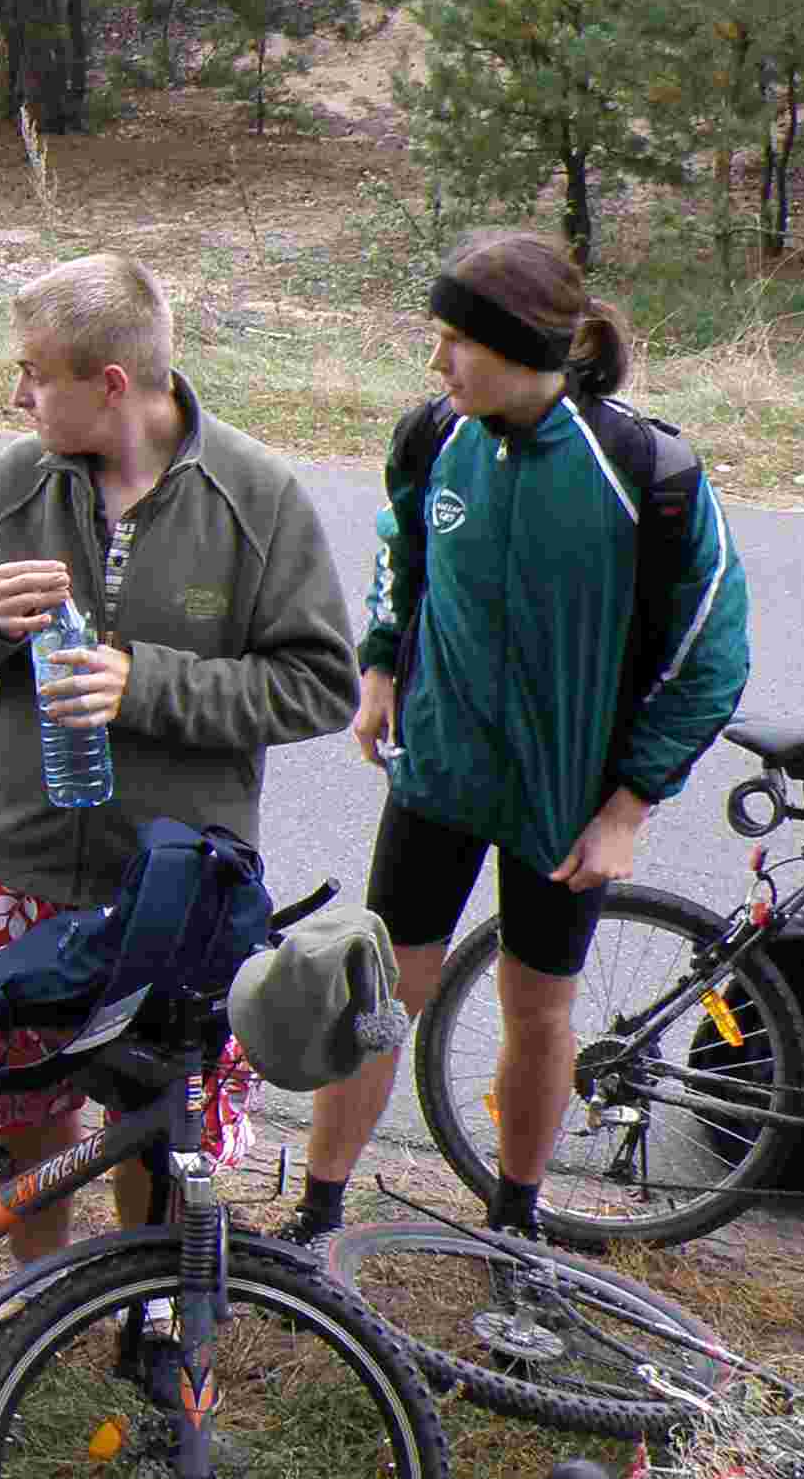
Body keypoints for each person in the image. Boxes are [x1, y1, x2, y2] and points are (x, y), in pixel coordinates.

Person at [291, 228, 751, 1244]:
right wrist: (381, 665)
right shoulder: (433, 437)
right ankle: (317, 1216)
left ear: (524, 349)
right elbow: (401, 547)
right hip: (440, 772)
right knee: (383, 994)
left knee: (536, 1009)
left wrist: (630, 803)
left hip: (565, 795)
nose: (436, 362)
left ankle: (515, 1223)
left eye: (456, 341)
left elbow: (713, 652)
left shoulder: (646, 469)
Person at [0, 252, 357, 1265]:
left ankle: (144, 1308)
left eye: (35, 374)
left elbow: (319, 685)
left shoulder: (257, 498)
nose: (16, 395)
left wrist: (142, 683)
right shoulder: (17, 481)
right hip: (22, 864)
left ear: (111, 384)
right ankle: (40, 1297)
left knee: (159, 1121)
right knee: (27, 1104)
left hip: (176, 884)